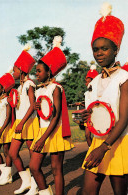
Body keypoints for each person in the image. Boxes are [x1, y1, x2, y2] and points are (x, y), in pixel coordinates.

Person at [81, 3, 128, 195]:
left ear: (115, 50)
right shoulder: (95, 81)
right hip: (97, 141)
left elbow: (124, 118)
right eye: (95, 49)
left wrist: (104, 147)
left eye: (104, 49)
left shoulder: (124, 79)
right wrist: (87, 120)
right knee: (87, 192)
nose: (99, 53)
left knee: (120, 193)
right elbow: (95, 110)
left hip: (117, 142)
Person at [29, 36, 74, 195]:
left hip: (54, 132)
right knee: (34, 167)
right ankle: (45, 192)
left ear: (49, 72)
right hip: (42, 130)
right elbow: (44, 112)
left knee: (56, 169)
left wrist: (43, 139)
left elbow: (55, 116)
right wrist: (36, 107)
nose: (37, 73)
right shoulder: (39, 90)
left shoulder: (56, 88)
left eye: (40, 71)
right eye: (36, 71)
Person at [9, 47, 39, 195]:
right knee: (12, 152)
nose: (12, 73)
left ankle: (35, 185)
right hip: (20, 122)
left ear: (21, 70)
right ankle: (26, 181)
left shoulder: (29, 85)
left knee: (33, 156)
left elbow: (33, 105)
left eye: (14, 70)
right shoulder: (20, 86)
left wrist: (22, 123)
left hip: (29, 122)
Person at [0, 73, 15, 185]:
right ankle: (5, 174)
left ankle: (7, 176)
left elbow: (8, 117)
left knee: (6, 152)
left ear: (3, 89)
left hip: (4, 129)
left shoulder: (7, 100)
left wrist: (1, 131)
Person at [84, 65, 98, 147]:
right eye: (86, 82)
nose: (87, 84)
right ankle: (91, 149)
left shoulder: (97, 93)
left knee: (98, 135)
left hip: (96, 116)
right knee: (87, 135)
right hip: (88, 117)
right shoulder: (86, 93)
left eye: (89, 82)